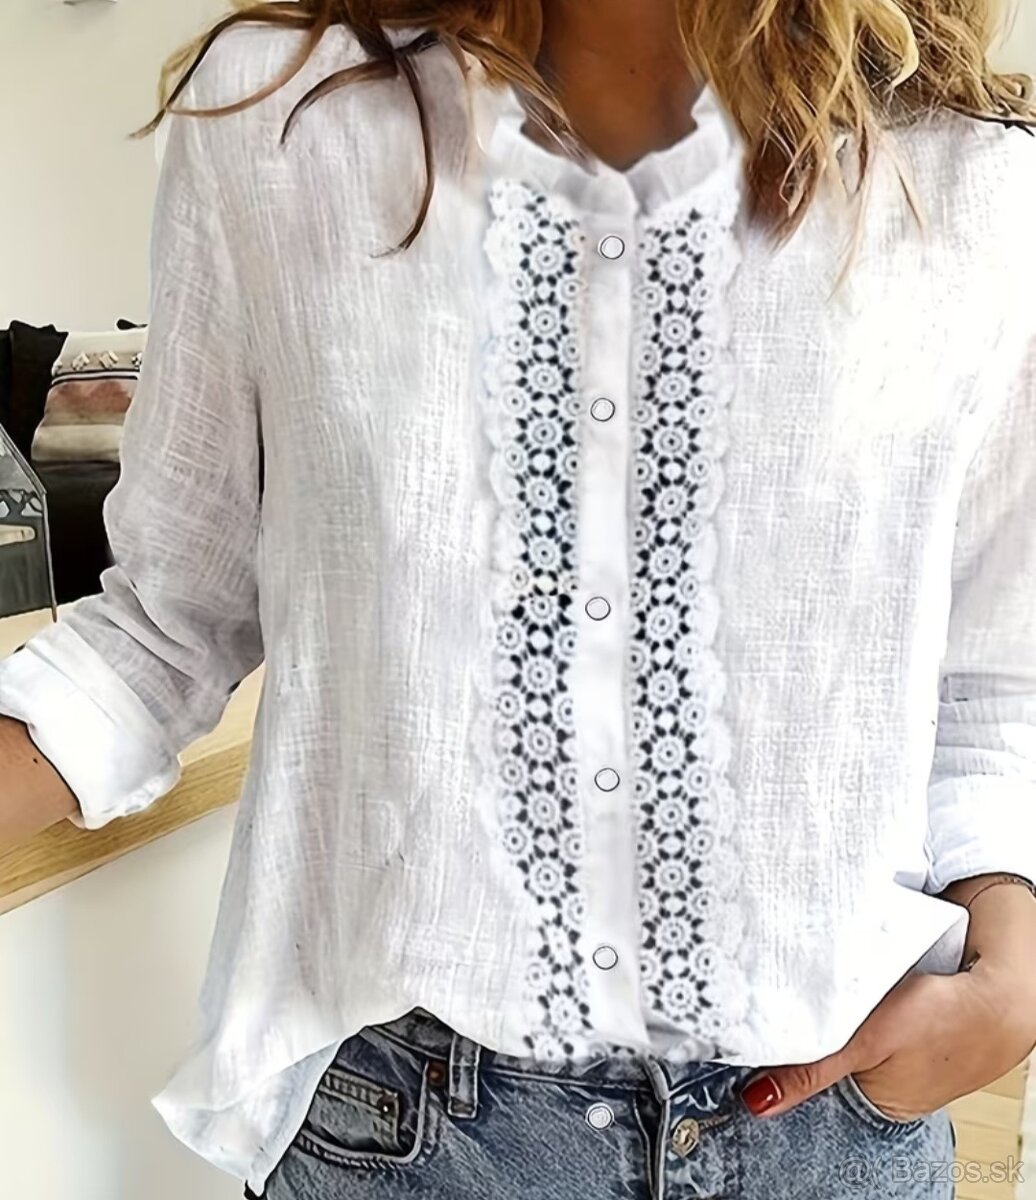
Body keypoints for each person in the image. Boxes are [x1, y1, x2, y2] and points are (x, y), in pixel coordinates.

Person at [2, 1, 1036, 1196]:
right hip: (415, 1142)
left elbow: (991, 685)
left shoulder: (973, 181)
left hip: (832, 1129)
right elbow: (166, 624)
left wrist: (1013, 956)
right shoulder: (283, 118)